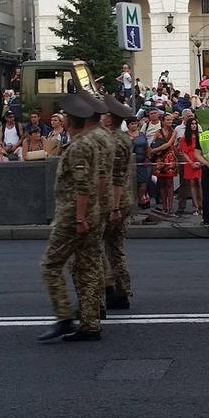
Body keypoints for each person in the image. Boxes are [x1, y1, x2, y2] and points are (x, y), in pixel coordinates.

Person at [37, 90, 107, 343]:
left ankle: (64, 316)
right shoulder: (88, 142)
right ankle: (90, 323)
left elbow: (82, 184)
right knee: (88, 267)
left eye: (65, 116)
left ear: (70, 121)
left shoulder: (78, 146)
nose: (63, 119)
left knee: (50, 265)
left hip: (72, 215)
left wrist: (79, 217)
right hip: (91, 212)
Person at [101, 97, 138, 311]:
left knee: (99, 247)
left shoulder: (111, 141)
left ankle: (107, 289)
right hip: (123, 199)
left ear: (109, 118)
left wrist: (113, 207)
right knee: (116, 248)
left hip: (112, 201)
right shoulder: (124, 138)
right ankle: (123, 292)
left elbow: (114, 177)